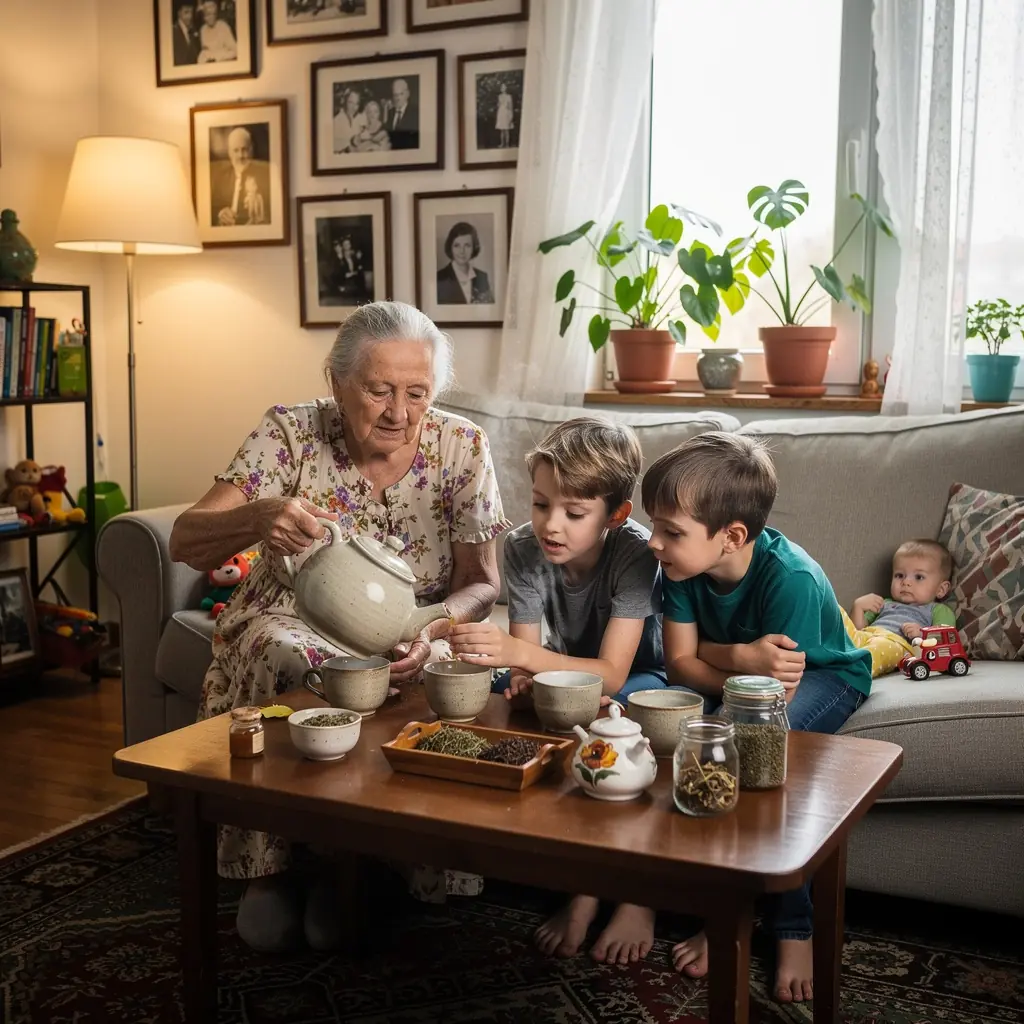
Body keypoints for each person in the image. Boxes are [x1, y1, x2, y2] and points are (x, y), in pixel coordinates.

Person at [168, 301, 510, 953]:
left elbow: (483, 582)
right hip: (289, 615)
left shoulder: (462, 446)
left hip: (412, 624)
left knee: (445, 675)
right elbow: (186, 540)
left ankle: (353, 861)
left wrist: (433, 629)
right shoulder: (291, 432)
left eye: (417, 393)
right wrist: (258, 516)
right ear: (337, 382)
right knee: (292, 654)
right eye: (379, 390)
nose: (400, 412)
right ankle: (272, 867)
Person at [641, 431, 872, 1003]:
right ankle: (674, 896)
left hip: (824, 677)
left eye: (672, 531)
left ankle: (787, 927)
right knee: (679, 736)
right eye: (654, 526)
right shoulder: (679, 569)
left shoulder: (790, 578)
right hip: (749, 676)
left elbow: (769, 701)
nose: (654, 542)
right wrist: (740, 657)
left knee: (752, 754)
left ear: (733, 536)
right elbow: (679, 665)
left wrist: (719, 664)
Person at [450, 417, 677, 966]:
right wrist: (521, 677)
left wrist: (522, 659)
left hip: (641, 677)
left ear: (615, 515)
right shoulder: (523, 547)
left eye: (574, 513)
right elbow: (524, 660)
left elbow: (613, 673)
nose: (551, 524)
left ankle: (620, 896)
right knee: (495, 694)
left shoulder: (635, 553)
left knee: (620, 720)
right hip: (566, 671)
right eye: (540, 504)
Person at [845, 539, 956, 677]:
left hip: (898, 645)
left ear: (941, 589)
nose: (906, 582)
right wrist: (858, 607)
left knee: (878, 648)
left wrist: (922, 635)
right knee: (837, 613)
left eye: (919, 577)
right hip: (868, 635)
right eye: (899, 575)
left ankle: (853, 671)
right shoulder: (884, 603)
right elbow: (857, 631)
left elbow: (946, 641)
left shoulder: (938, 610)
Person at [210, 127, 270, 228]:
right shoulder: (220, 178)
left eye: (244, 149)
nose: (240, 156)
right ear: (229, 153)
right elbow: (211, 213)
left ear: (252, 150)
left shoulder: (266, 176)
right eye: (236, 150)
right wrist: (220, 215)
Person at [436, 222, 494, 305]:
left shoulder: (482, 277)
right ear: (450, 247)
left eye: (467, 245)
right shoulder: (439, 278)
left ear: (474, 248)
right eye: (457, 245)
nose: (462, 251)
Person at [385, 78, 418, 150]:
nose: (398, 98)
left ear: (408, 94)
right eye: (395, 95)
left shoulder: (416, 112)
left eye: (401, 94)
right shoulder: (390, 113)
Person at [332, 87, 366, 154]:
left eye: (357, 104)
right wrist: (348, 148)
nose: (354, 107)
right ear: (344, 101)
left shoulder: (358, 119)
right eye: (350, 102)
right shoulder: (336, 121)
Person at [495, 81, 514, 148]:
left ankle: (507, 144)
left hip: (506, 112)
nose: (503, 88)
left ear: (506, 88)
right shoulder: (499, 96)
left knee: (506, 130)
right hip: (501, 112)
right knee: (502, 130)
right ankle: (502, 143)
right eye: (502, 87)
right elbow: (498, 105)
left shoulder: (509, 96)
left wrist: (511, 115)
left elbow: (510, 106)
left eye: (504, 87)